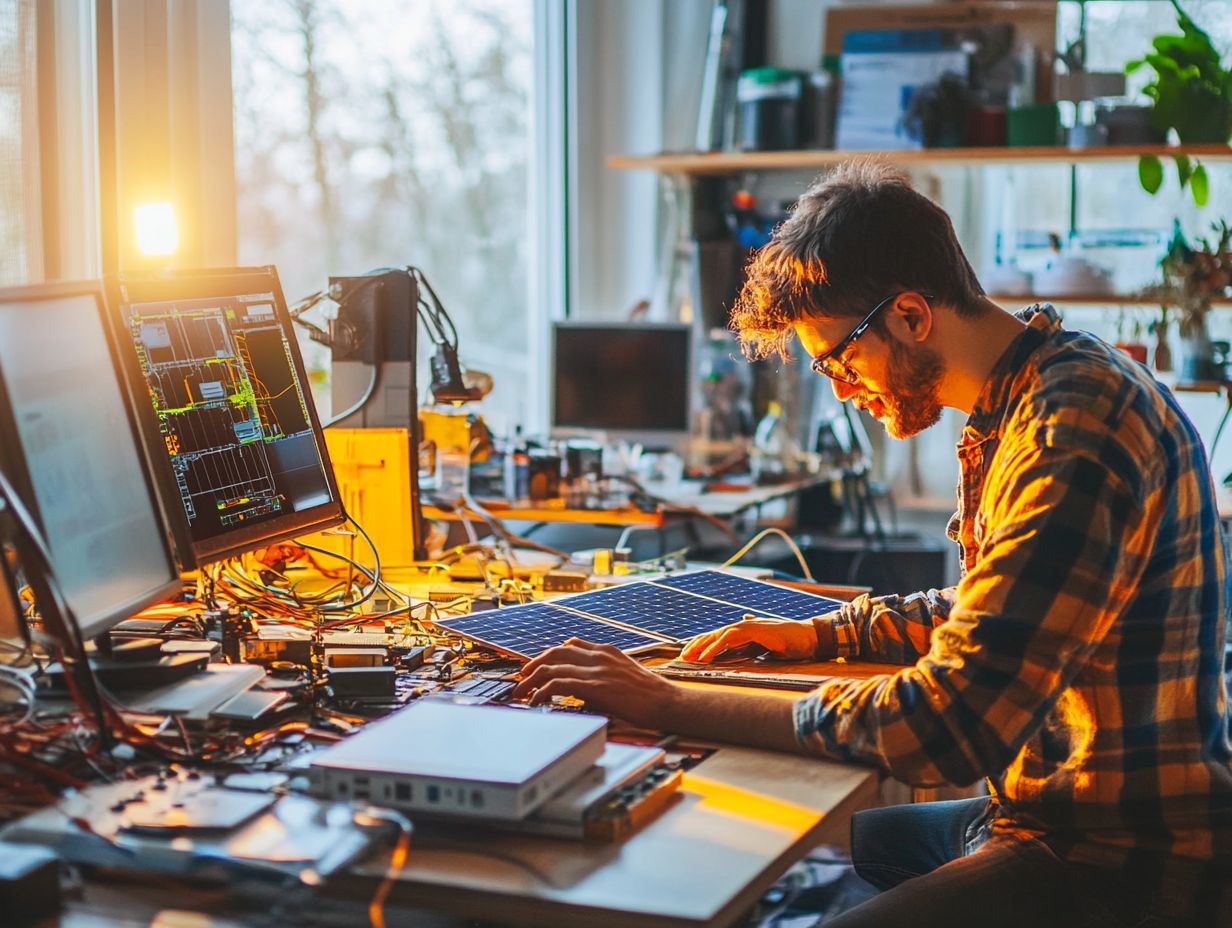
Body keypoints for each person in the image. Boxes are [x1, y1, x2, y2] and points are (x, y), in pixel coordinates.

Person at [513, 161, 1232, 926]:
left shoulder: (1069, 432)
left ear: (912, 317)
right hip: (1043, 804)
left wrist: (669, 701)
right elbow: (992, 609)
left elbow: (945, 726)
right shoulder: (1030, 392)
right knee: (867, 840)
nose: (843, 391)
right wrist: (816, 633)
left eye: (839, 360)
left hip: (1119, 855)